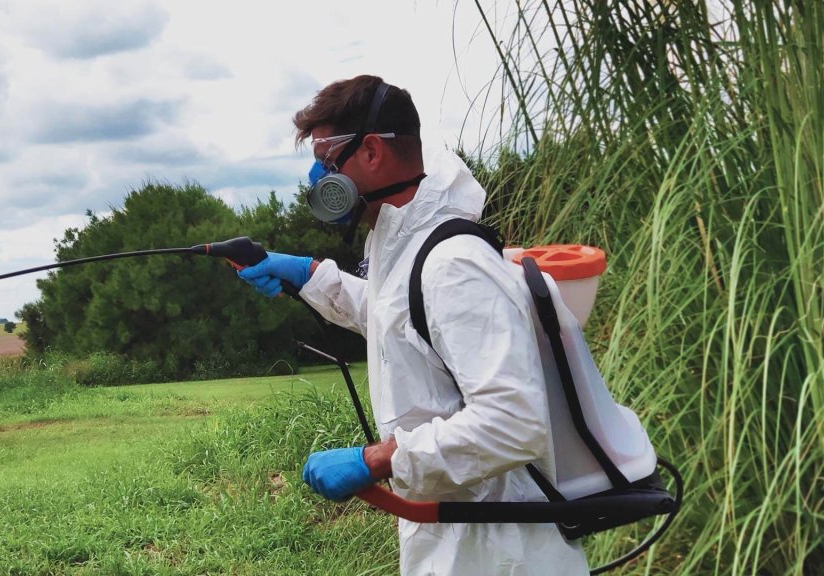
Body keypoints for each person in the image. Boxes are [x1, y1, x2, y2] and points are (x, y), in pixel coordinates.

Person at [237, 75, 589, 575]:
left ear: (373, 151)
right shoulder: (406, 240)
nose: (318, 177)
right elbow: (401, 320)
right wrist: (307, 275)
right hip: (458, 535)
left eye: (328, 160)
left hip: (501, 548)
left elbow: (515, 422)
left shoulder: (455, 262)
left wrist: (378, 459)